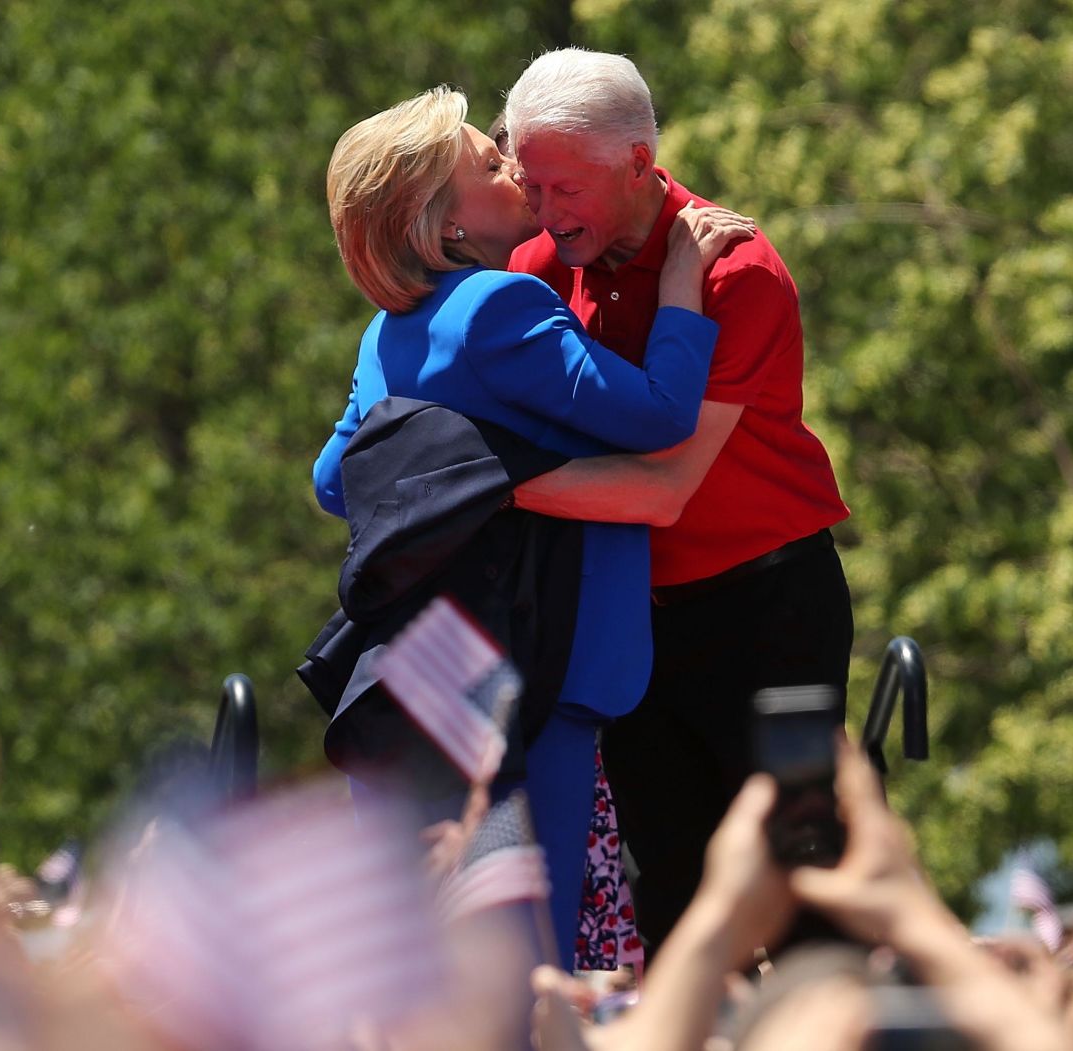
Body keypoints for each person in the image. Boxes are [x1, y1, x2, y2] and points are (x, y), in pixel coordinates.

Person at [309, 85, 754, 967]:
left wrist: (465, 471)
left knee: (457, 950)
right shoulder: (496, 310)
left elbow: (334, 481)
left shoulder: (386, 334)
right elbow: (663, 414)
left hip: (440, 672)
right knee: (527, 950)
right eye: (488, 163)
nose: (513, 167)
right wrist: (678, 282)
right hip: (544, 661)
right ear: (445, 226)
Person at [502, 47, 855, 958]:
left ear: (637, 162)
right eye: (529, 186)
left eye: (564, 189)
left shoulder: (739, 273)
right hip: (636, 618)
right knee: (674, 891)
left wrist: (479, 485)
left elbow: (664, 491)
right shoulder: (540, 266)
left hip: (767, 608)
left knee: (808, 876)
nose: (544, 212)